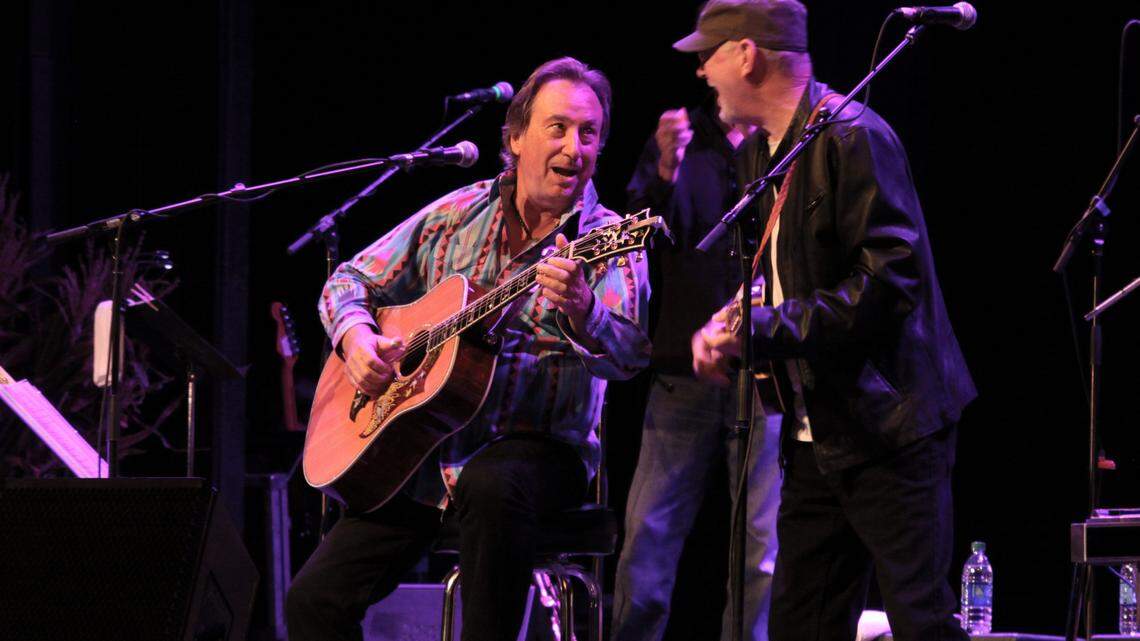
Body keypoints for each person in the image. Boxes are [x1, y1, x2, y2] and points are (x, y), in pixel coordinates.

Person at [286, 56, 651, 641]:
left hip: (538, 456)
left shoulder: (609, 239)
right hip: (420, 456)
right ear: (515, 137)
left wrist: (583, 310)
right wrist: (357, 337)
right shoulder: (458, 215)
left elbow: (630, 356)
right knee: (311, 603)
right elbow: (349, 280)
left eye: (589, 133)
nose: (574, 147)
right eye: (557, 128)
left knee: (490, 483)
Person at [678, 1, 978, 640]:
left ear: (747, 54)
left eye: (709, 55)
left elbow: (888, 284)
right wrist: (730, 321)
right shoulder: (764, 155)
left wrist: (764, 331)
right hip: (821, 432)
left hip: (889, 428)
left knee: (921, 620)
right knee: (802, 624)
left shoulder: (854, 135)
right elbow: (782, 279)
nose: (701, 72)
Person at [611, 91, 781, 640]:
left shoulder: (784, 142)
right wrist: (664, 166)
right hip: (681, 381)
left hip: (763, 376)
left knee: (761, 548)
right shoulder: (685, 142)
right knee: (648, 538)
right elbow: (635, 235)